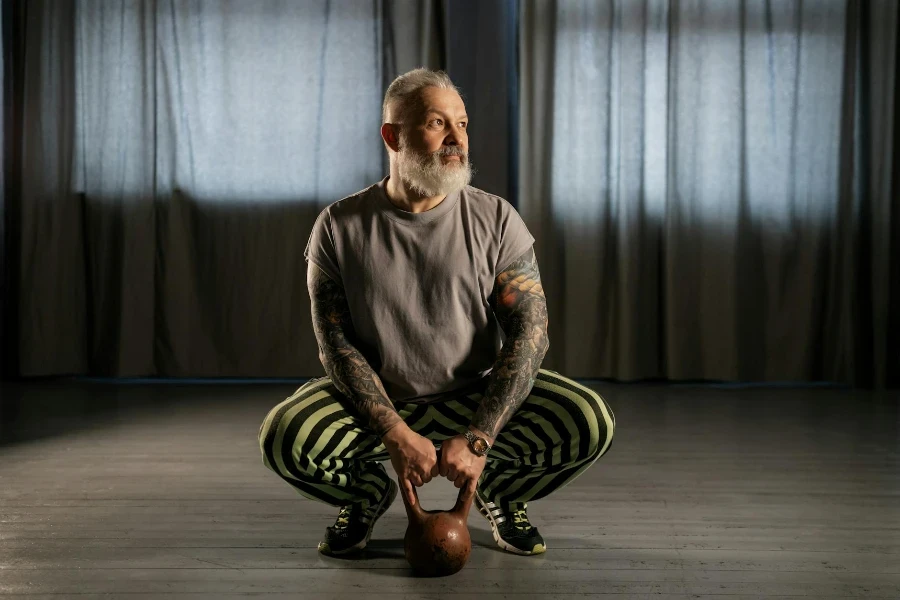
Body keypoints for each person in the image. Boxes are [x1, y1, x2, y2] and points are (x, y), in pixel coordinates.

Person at [258, 68, 615, 557]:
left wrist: (479, 439)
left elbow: (530, 332)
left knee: (589, 420)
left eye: (463, 124)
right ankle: (366, 496)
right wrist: (395, 432)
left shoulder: (496, 217)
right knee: (283, 436)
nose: (457, 139)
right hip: (381, 399)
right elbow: (335, 344)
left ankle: (503, 493)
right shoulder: (338, 226)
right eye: (436, 123)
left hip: (476, 395)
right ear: (392, 135)